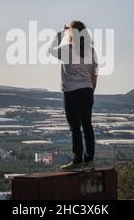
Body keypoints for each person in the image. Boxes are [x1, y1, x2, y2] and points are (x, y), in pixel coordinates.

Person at [49, 21, 98, 171]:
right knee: (87, 126)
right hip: (88, 91)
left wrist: (60, 33)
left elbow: (51, 50)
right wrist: (91, 90)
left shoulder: (67, 50)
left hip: (72, 92)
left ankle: (77, 160)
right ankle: (89, 160)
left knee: (75, 128)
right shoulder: (91, 51)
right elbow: (94, 74)